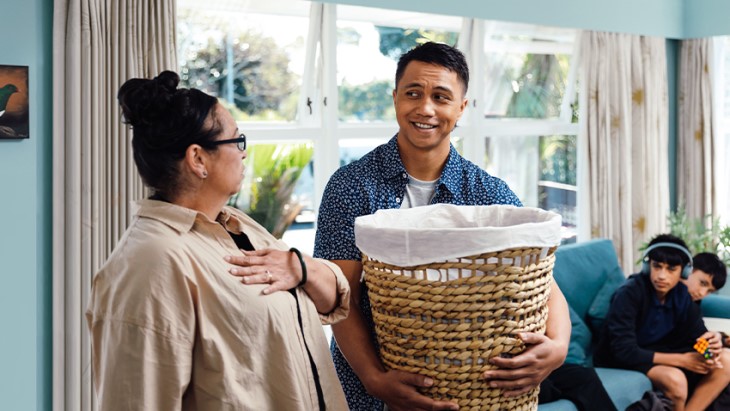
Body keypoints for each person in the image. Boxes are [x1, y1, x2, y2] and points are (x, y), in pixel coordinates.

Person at [313, 41, 570, 411]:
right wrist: (375, 380)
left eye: (441, 96)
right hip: (371, 390)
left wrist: (558, 348)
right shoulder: (351, 186)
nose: (425, 109)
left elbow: (543, 280)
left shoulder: (488, 194)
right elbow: (340, 296)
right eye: (413, 93)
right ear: (396, 98)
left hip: (471, 392)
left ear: (461, 108)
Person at [85, 70, 350, 410]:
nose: (243, 153)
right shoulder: (151, 262)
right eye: (237, 141)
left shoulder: (237, 225)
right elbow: (137, 400)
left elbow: (334, 298)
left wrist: (302, 267)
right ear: (198, 159)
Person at [594, 234, 730, 411]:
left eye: (671, 269)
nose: (661, 276)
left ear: (683, 272)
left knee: (726, 360)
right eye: (657, 266)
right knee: (676, 380)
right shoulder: (629, 293)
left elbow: (698, 336)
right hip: (623, 357)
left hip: (659, 352)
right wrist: (682, 360)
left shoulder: (682, 295)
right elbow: (624, 351)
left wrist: (710, 348)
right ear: (647, 265)